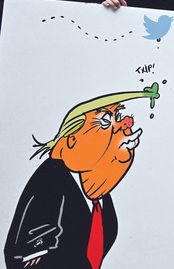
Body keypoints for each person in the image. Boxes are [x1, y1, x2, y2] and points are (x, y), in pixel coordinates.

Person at [4, 85, 160, 268]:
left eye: (117, 118)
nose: (125, 124)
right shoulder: (50, 183)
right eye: (104, 121)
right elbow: (22, 257)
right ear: (72, 141)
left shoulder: (98, 190)